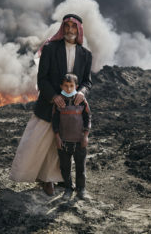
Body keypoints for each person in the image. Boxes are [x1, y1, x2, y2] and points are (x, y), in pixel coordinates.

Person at [10, 14, 92, 196]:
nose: (70, 29)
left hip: (73, 111)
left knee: (63, 145)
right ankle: (44, 179)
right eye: (67, 26)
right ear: (62, 28)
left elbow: (87, 82)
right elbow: (42, 78)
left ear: (79, 29)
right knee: (39, 142)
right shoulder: (50, 48)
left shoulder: (86, 55)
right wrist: (54, 97)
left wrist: (81, 93)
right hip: (49, 104)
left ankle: (57, 178)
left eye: (74, 26)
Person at [52, 73, 91, 199]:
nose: (68, 89)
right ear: (61, 86)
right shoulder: (59, 102)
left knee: (81, 168)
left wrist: (85, 136)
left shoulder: (82, 101)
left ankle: (81, 189)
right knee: (65, 168)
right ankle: (68, 188)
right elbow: (55, 121)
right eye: (66, 86)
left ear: (76, 86)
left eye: (71, 86)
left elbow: (87, 118)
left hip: (79, 141)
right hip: (63, 142)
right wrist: (57, 137)